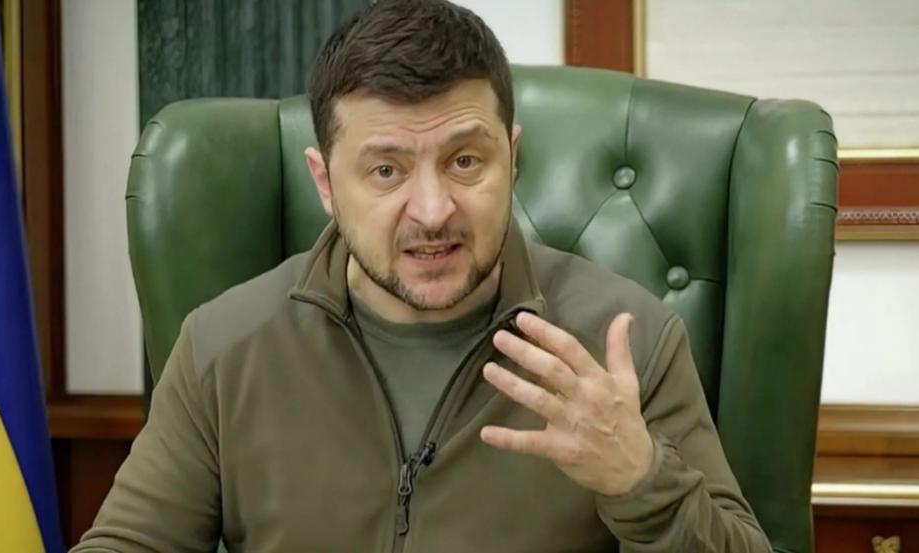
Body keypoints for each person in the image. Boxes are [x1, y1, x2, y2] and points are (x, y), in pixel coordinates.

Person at [72, 1, 773, 551]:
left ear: (512, 159)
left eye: (465, 162)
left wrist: (640, 479)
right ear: (324, 182)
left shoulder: (626, 341)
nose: (433, 211)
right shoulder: (223, 347)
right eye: (386, 170)